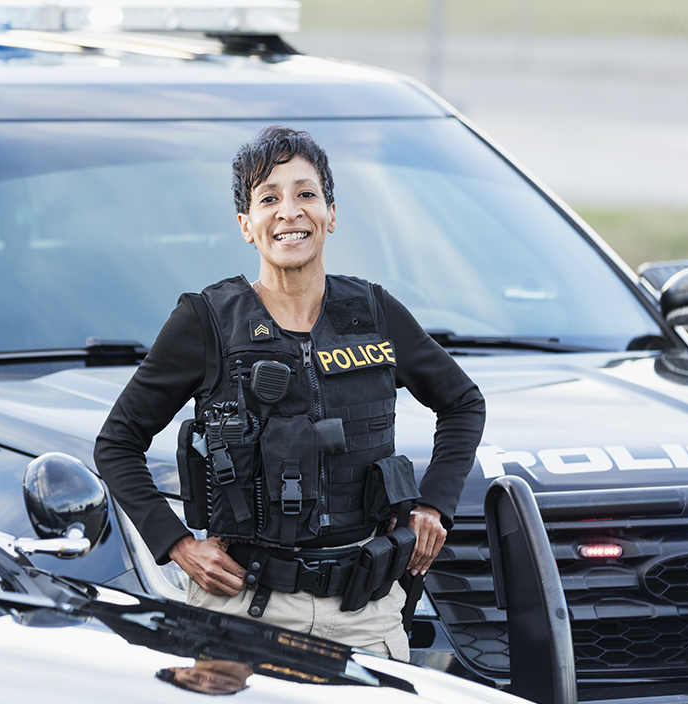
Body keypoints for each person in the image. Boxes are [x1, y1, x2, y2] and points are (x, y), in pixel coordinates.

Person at [94, 125, 485, 660]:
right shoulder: (205, 321)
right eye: (269, 199)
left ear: (330, 214)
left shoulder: (374, 313)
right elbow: (117, 443)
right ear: (246, 225)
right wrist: (176, 544)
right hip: (243, 609)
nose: (289, 211)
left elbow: (463, 403)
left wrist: (435, 504)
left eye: (306, 194)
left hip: (365, 614)